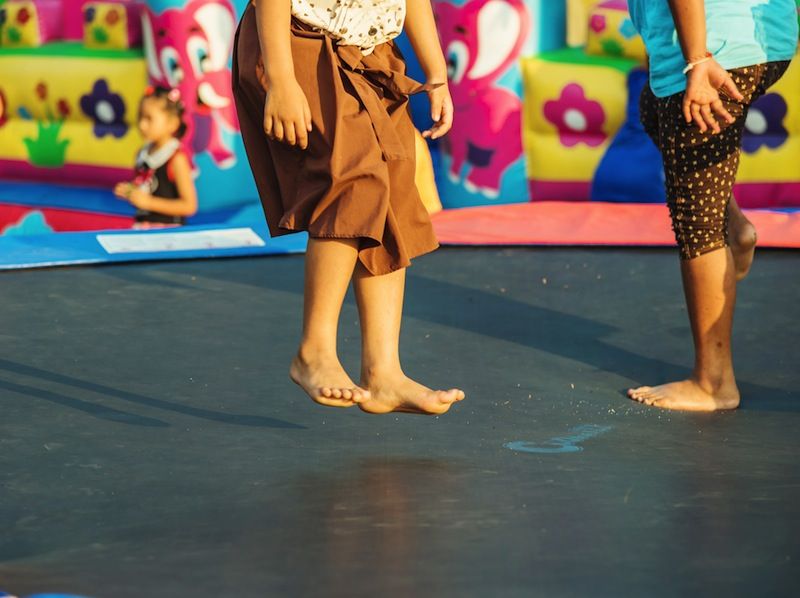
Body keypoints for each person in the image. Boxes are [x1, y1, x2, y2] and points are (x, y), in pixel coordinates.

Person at [232, 0, 465, 414]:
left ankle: (383, 373)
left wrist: (437, 74)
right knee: (355, 178)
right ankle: (314, 351)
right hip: (297, 40)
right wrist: (282, 78)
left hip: (371, 48)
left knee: (392, 190)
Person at [627, 0, 799, 410]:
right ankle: (736, 229)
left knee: (696, 221)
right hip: (763, 40)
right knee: (653, 112)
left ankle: (713, 383)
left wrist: (697, 58)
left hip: (715, 48)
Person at [114, 86, 197, 229]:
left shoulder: (176, 158)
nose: (142, 124)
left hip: (169, 233)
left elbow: (189, 206)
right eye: (140, 116)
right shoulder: (142, 153)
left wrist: (148, 202)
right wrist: (130, 191)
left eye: (149, 118)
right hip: (143, 228)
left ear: (172, 123)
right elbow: (147, 187)